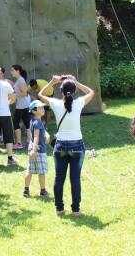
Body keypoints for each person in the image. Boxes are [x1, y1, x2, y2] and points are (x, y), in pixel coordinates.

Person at [38, 75, 95, 216]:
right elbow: (91, 92)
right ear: (74, 91)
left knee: (59, 178)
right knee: (75, 178)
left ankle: (59, 209)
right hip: (77, 145)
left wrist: (52, 81)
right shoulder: (79, 102)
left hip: (60, 145)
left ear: (61, 90)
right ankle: (76, 210)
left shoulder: (56, 103)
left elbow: (40, 94)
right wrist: (76, 81)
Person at [23, 100, 50, 198]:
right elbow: (36, 136)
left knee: (30, 170)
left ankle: (25, 190)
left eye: (43, 107)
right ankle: (43, 191)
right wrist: (35, 149)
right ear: (34, 111)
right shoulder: (38, 122)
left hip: (33, 149)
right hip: (38, 150)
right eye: (40, 108)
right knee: (41, 172)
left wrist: (46, 135)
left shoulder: (34, 120)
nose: (43, 109)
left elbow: (40, 133)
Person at [10, 65, 31, 149]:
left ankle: (19, 143)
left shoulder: (21, 80)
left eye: (12, 70)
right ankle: (29, 142)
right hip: (22, 105)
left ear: (17, 71)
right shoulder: (19, 80)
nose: (11, 72)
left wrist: (14, 94)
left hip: (22, 106)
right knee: (27, 123)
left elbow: (25, 93)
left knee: (15, 123)